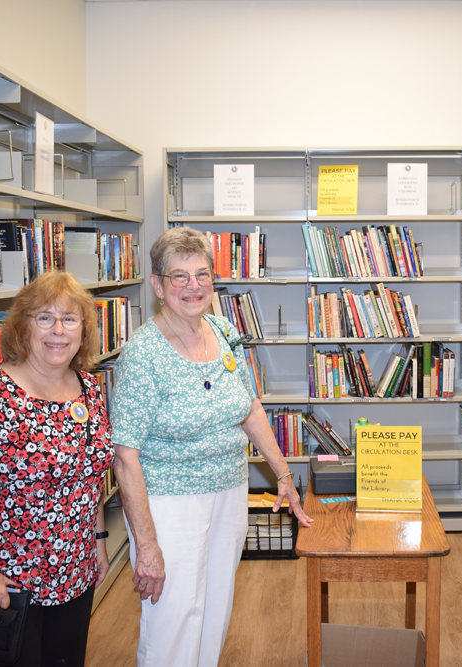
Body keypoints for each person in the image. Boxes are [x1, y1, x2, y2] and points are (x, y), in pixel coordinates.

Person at [110, 226, 312, 667]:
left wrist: (283, 474)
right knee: (174, 618)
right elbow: (125, 457)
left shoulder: (222, 331)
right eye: (179, 276)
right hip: (170, 501)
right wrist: (146, 545)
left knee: (216, 607)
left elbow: (250, 407)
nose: (193, 286)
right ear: (158, 286)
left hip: (229, 491)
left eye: (201, 274)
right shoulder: (142, 355)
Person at [0, 271, 113, 667]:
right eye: (44, 318)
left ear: (83, 330)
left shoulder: (90, 389)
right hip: (7, 582)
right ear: (23, 326)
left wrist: (99, 541)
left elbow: (88, 473)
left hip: (76, 573)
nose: (58, 330)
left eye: (70, 319)